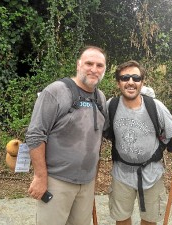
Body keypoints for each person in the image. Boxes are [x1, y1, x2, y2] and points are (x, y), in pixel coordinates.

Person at [25, 45, 107, 225]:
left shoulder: (100, 98)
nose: (94, 69)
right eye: (89, 63)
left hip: (86, 183)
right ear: (78, 65)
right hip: (57, 181)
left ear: (105, 69)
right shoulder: (56, 91)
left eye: (99, 65)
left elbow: (98, 138)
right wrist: (40, 177)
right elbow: (35, 135)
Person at [104, 60, 172, 225]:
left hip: (152, 173)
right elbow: (97, 131)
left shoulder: (155, 106)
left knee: (150, 220)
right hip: (122, 173)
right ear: (118, 82)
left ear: (142, 82)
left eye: (136, 78)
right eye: (125, 77)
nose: (130, 82)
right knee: (121, 219)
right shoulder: (110, 106)